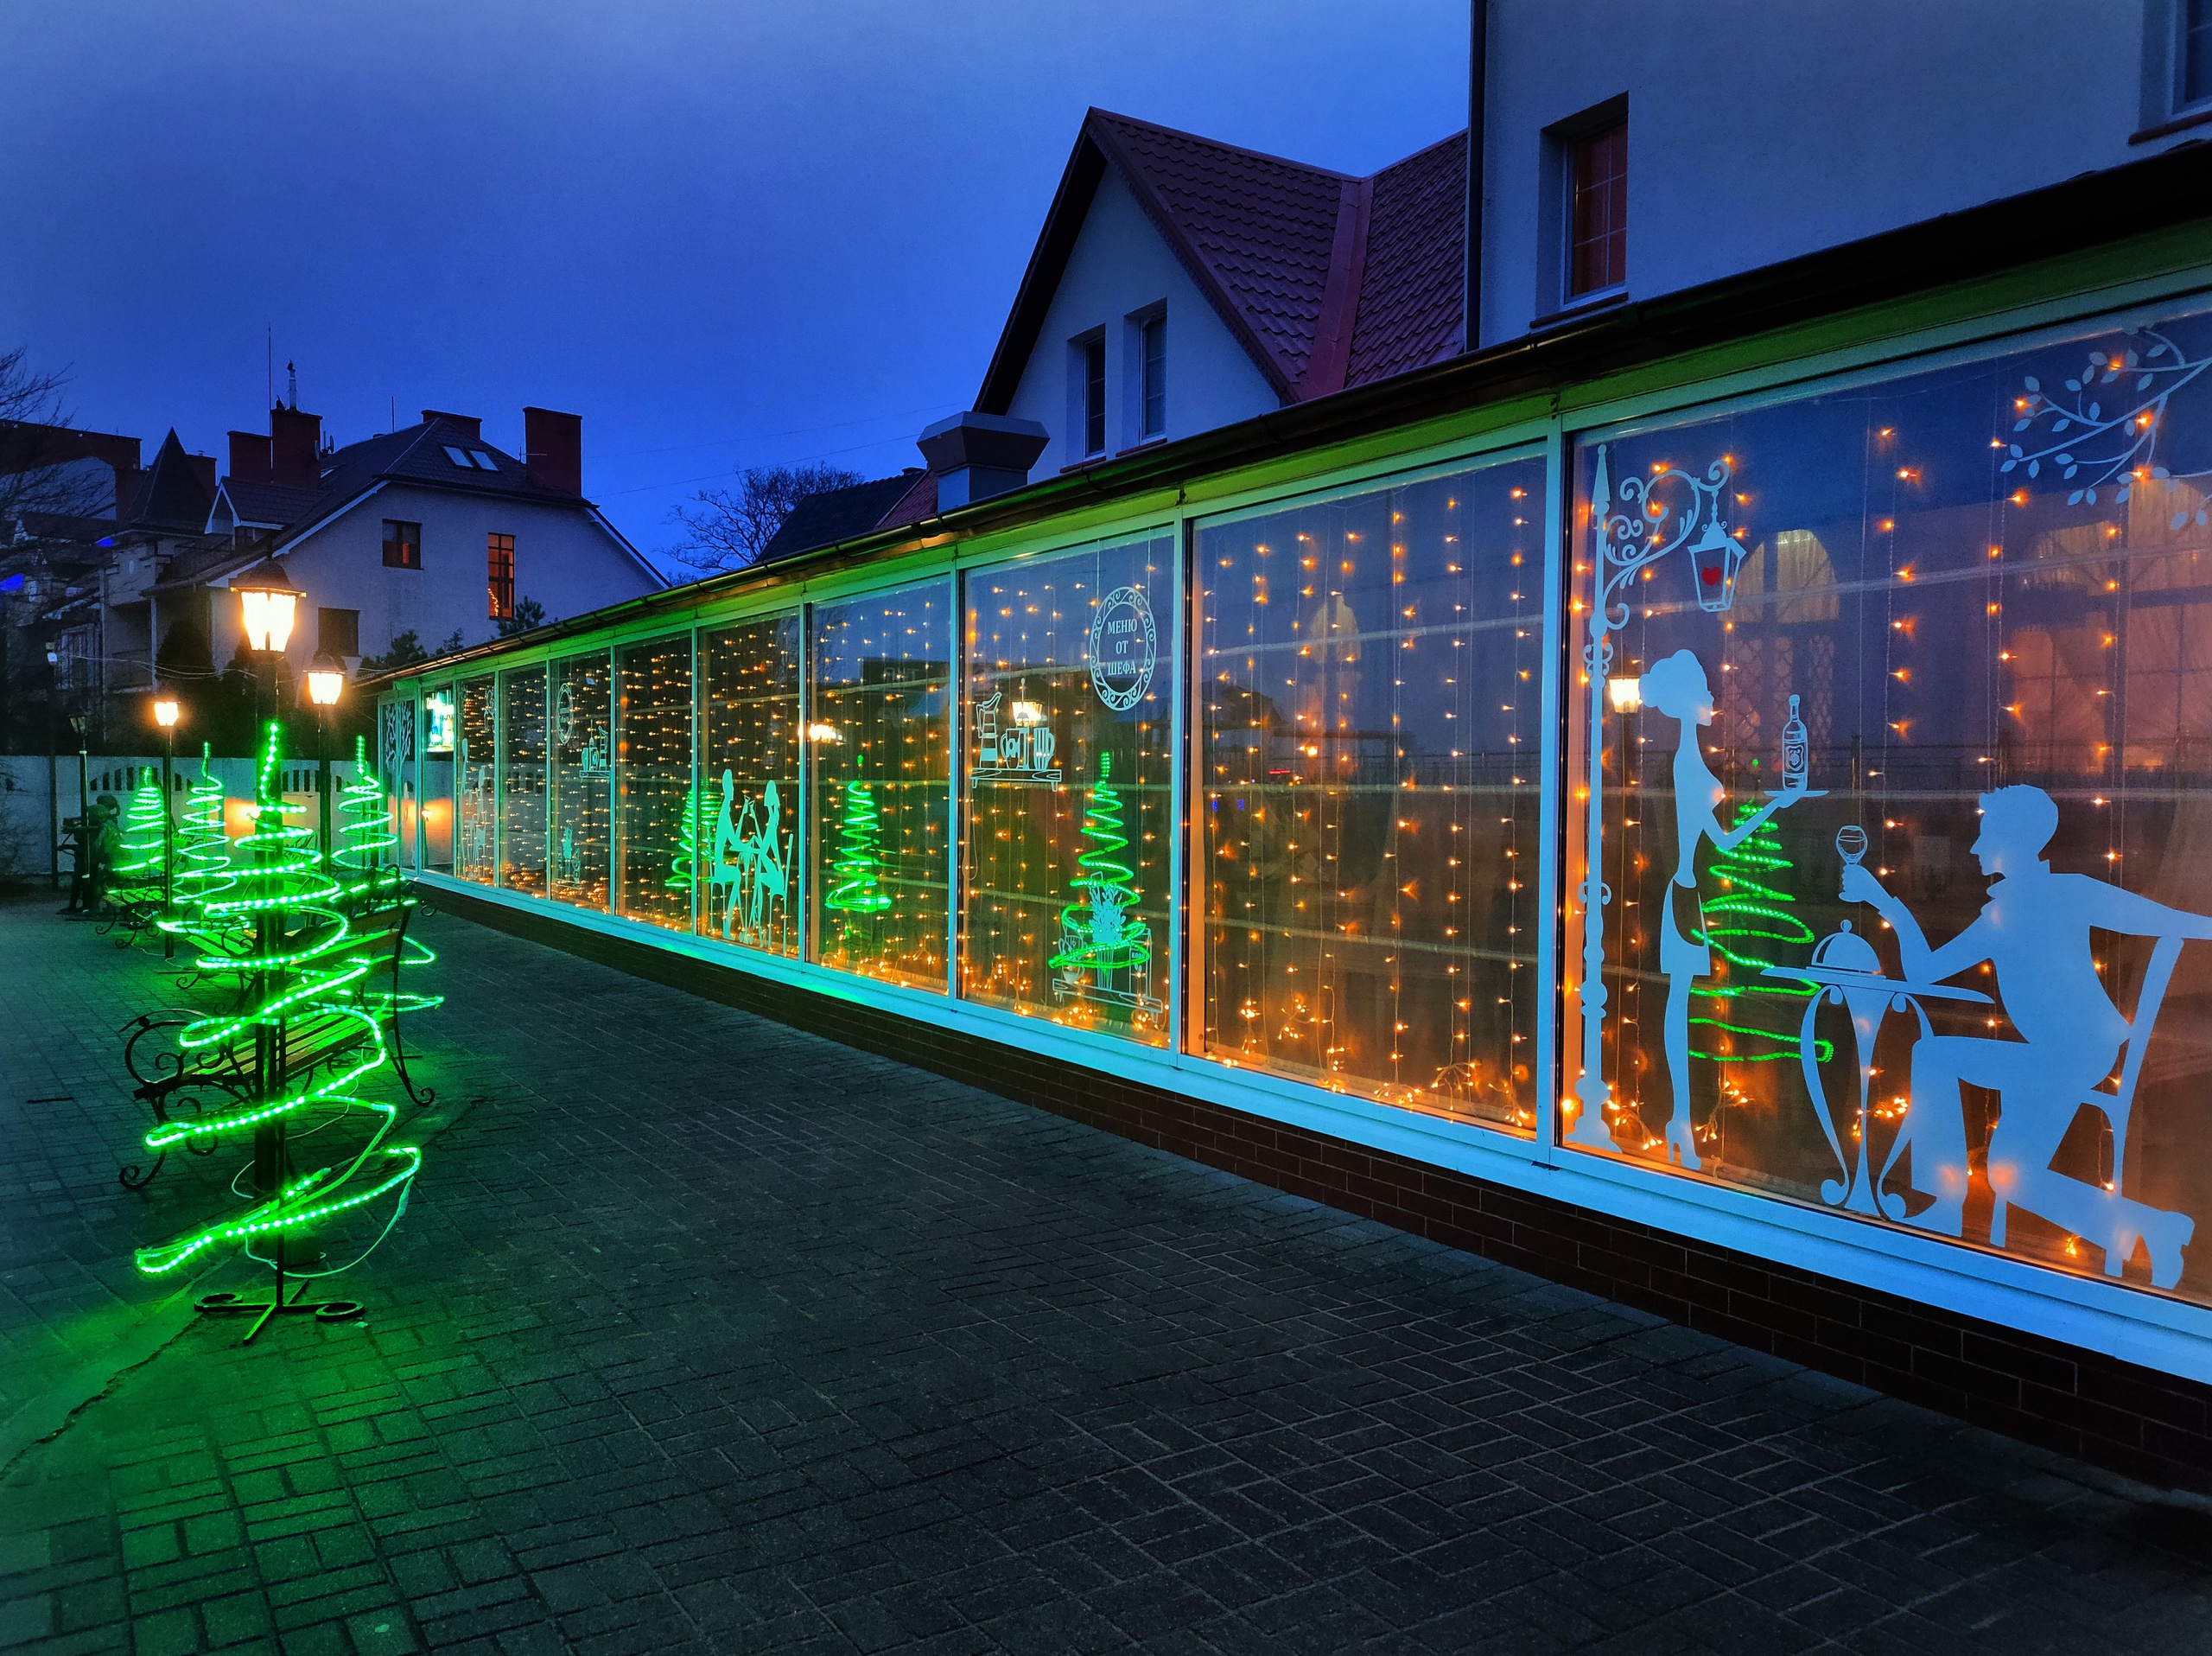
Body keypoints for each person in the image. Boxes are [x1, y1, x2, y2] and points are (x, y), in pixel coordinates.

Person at [1843, 784, 2210, 1287]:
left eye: (1984, 835)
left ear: (2012, 841)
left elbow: (2167, 921)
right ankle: (2154, 1229)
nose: (1975, 847)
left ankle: (1944, 1205)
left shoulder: (2059, 894)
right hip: (2059, 1053)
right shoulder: (2009, 909)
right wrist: (1885, 900)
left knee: (1934, 1059)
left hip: (2074, 1055)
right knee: (2009, 1173)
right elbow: (1925, 972)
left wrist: (1884, 900)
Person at [1639, 651, 1809, 1168]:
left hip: (1685, 894)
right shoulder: (1687, 765)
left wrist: (1772, 804)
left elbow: (1719, 837)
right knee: (1679, 1005)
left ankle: (1681, 1118)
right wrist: (1775, 804)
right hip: (1683, 896)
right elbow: (1724, 841)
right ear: (1688, 701)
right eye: (1706, 692)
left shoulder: (1686, 763)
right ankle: (1680, 1119)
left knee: (1680, 1004)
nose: (1714, 699)